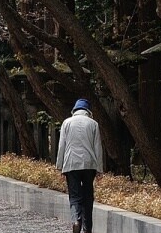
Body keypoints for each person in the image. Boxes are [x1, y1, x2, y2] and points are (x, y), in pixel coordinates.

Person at [57, 98, 103, 233]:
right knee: (88, 196)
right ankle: (87, 228)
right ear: (88, 111)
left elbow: (62, 146)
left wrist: (59, 166)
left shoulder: (67, 123)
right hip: (89, 164)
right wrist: (99, 168)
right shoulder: (93, 124)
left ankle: (76, 220)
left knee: (75, 196)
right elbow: (98, 147)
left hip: (71, 164)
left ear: (75, 110)